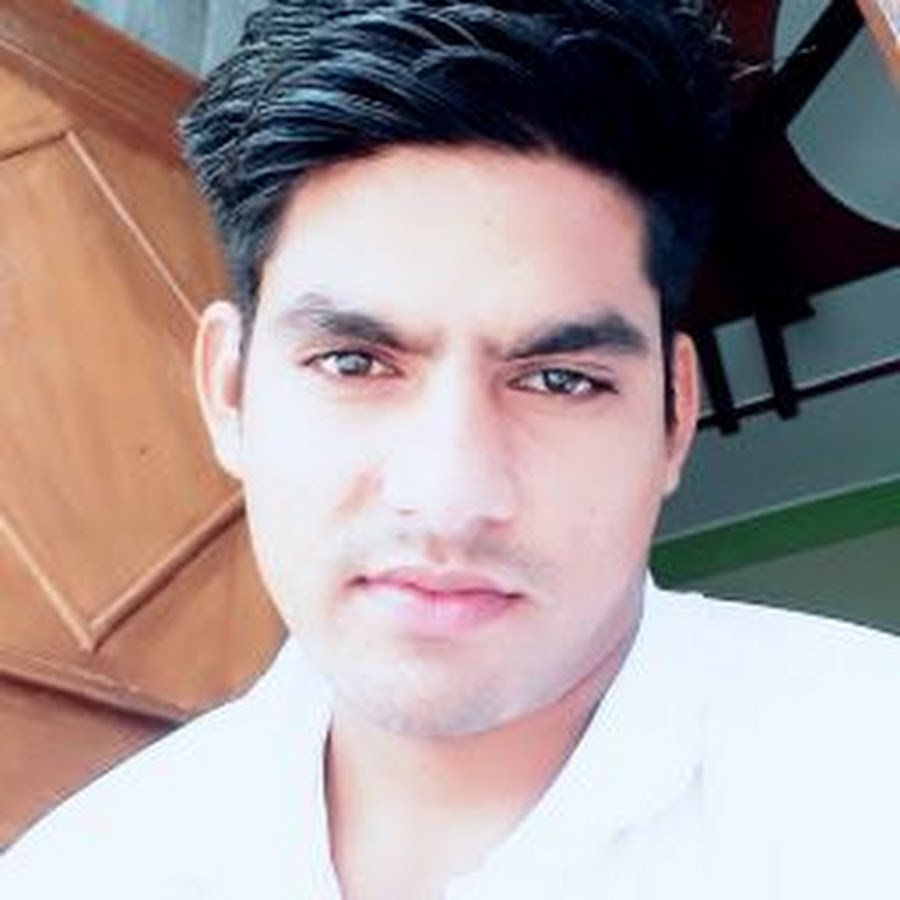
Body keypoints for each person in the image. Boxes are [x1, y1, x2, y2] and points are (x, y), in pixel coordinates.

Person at [2, 1, 898, 898]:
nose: (448, 496)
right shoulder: (82, 872)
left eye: (560, 379)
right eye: (353, 362)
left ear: (673, 415)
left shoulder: (867, 778)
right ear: (229, 391)